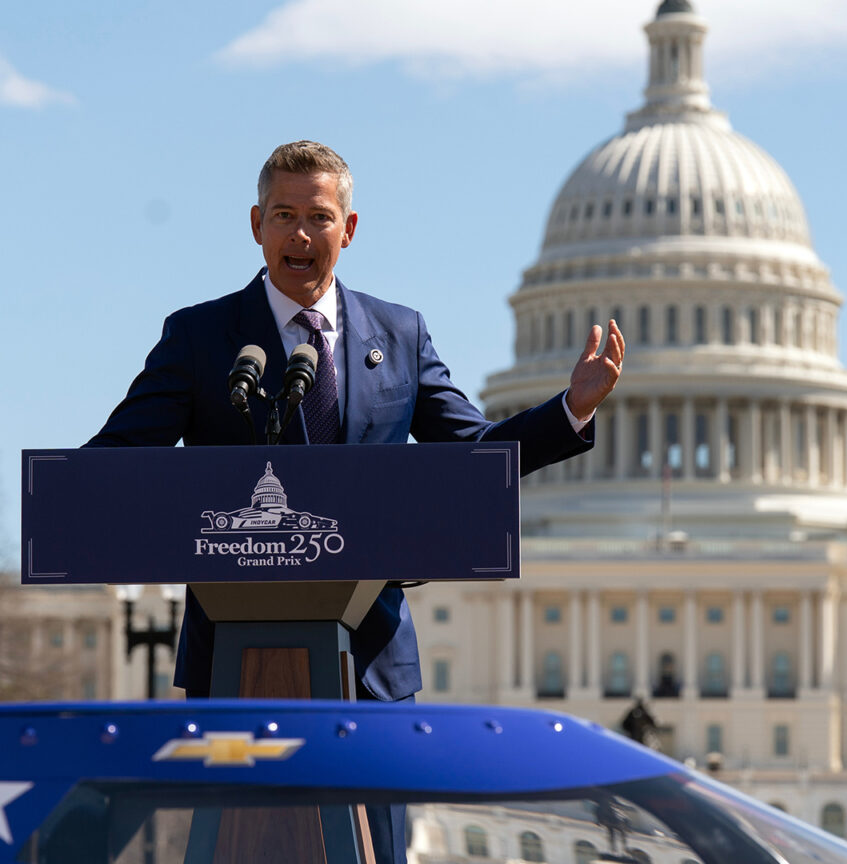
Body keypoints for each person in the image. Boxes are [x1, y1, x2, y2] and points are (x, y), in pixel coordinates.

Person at [85, 140, 624, 858]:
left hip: (370, 660)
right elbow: (118, 461)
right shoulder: (201, 337)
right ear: (255, 225)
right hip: (238, 663)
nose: (300, 234)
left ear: (349, 228)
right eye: (283, 215)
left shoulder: (398, 333)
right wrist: (67, 494)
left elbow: (467, 457)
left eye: (318, 216)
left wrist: (567, 413)